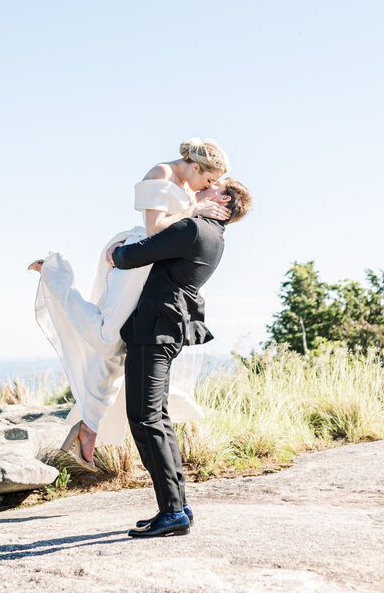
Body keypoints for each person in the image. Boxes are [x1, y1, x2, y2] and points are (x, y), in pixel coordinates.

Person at [28, 139, 232, 471]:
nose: (208, 189)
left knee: (118, 345)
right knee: (110, 339)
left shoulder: (187, 184)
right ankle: (55, 273)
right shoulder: (162, 173)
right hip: (138, 261)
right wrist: (194, 210)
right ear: (196, 167)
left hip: (152, 267)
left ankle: (88, 428)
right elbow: (155, 229)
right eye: (208, 181)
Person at [110, 178, 253, 537]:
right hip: (166, 327)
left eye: (213, 185)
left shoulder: (193, 228)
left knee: (144, 418)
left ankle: (172, 511)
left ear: (223, 199)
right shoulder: (212, 234)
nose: (204, 185)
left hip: (154, 329)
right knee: (157, 417)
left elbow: (135, 255)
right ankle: (177, 507)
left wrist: (116, 253)